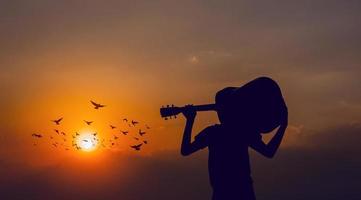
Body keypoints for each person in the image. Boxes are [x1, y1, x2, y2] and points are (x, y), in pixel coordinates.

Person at [180, 89, 288, 200]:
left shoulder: (213, 132)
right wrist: (283, 126)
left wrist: (190, 121)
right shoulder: (243, 131)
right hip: (244, 192)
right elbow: (269, 152)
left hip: (222, 193)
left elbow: (186, 150)